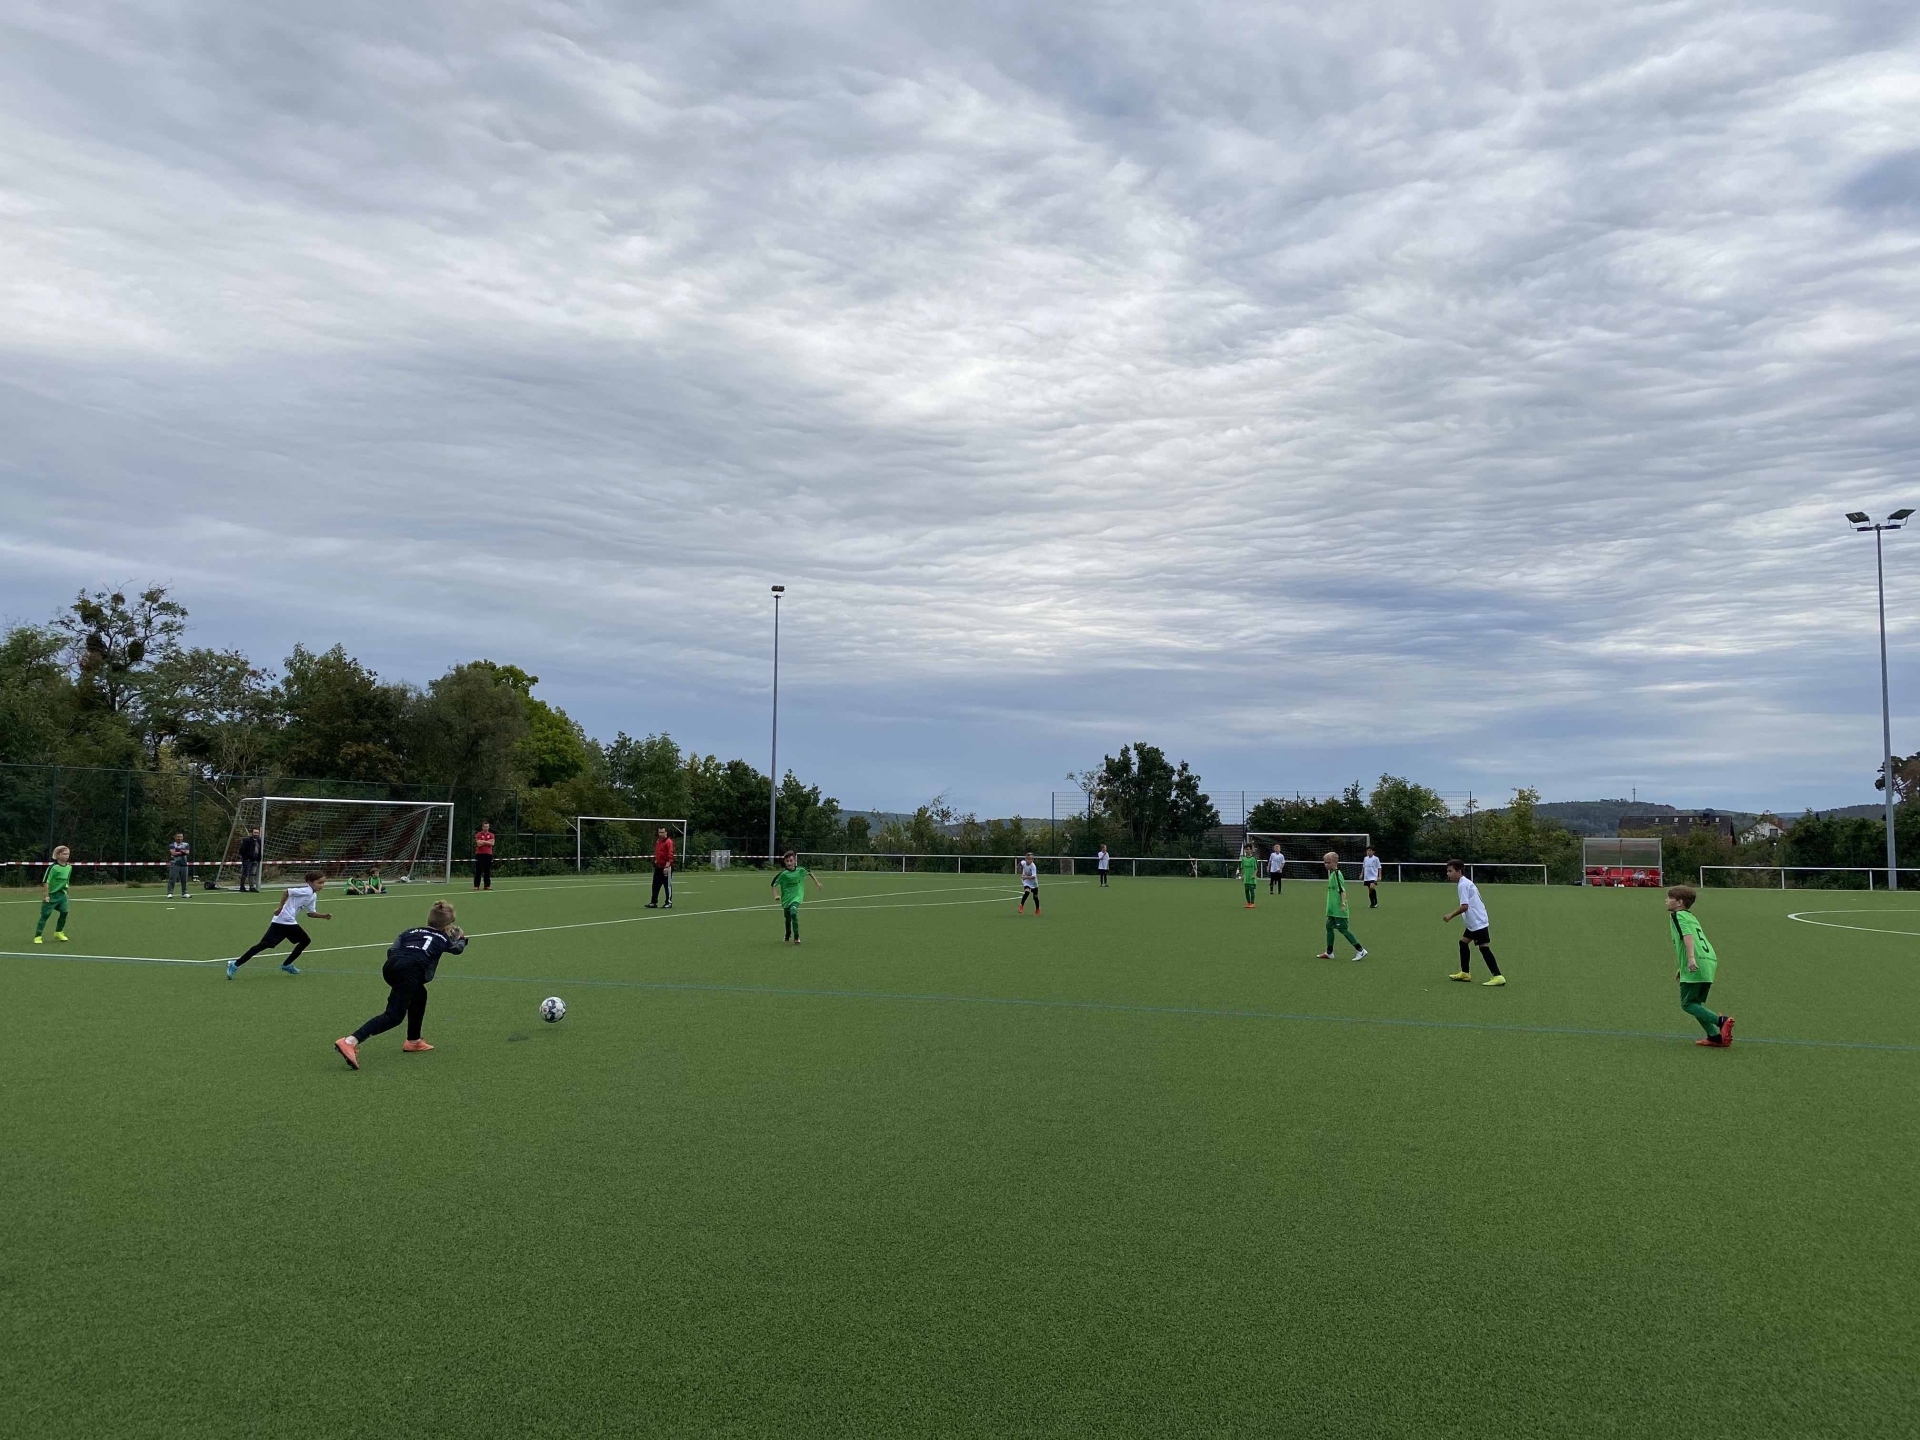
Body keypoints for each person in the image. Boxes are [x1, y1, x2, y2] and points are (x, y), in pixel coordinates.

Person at [334, 902, 468, 1069]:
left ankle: (414, 1041)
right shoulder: (443, 938)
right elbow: (457, 949)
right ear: (447, 925)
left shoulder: (410, 931)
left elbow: (392, 949)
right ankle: (350, 1041)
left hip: (390, 966)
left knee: (419, 995)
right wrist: (462, 939)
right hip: (410, 971)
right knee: (394, 1016)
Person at [229, 870, 331, 977]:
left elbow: (310, 913)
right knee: (305, 940)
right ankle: (286, 964)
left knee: (263, 945)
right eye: (319, 883)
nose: (322, 885)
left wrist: (323, 916)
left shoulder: (313, 896)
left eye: (323, 883)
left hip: (282, 922)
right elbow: (287, 892)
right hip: (286, 920)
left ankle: (235, 964)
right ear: (310, 882)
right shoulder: (307, 891)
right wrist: (280, 907)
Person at [1669, 885, 1734, 1047]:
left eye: (1670, 898)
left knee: (1687, 1004)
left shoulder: (1678, 915)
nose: (1666, 901)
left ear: (1679, 902)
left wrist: (1691, 959)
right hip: (1708, 961)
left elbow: (1688, 936)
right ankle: (1714, 1037)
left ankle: (1721, 1021)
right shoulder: (1691, 916)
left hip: (1697, 961)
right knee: (1695, 1003)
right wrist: (1682, 966)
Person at [1442, 861, 1504, 986]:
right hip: (1474, 922)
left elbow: (1464, 906)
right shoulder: (1464, 882)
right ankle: (1465, 973)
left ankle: (1498, 976)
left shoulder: (1463, 885)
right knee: (1463, 943)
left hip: (1477, 922)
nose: (1448, 874)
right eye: (1447, 871)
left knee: (1484, 947)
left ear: (1459, 871)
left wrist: (1450, 915)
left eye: (1450, 871)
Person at [1316, 851, 1367, 961]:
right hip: (1332, 909)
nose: (1325, 865)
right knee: (1329, 927)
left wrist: (1343, 903)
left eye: (1327, 862)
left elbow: (1342, 890)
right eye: (1324, 862)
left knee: (1343, 929)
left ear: (1334, 862)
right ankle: (1329, 952)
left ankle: (1360, 950)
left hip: (1339, 909)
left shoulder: (1337, 874)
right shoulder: (1332, 874)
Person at [771, 850, 823, 943]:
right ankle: (787, 934)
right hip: (786, 899)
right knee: (787, 919)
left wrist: (817, 882)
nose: (789, 863)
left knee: (793, 912)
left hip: (797, 897)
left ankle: (796, 937)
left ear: (795, 860)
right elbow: (773, 884)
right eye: (787, 861)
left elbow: (809, 872)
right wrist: (776, 895)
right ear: (785, 862)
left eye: (791, 860)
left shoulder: (800, 870)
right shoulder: (783, 874)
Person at [34, 845, 72, 944]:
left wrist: (66, 892)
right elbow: (46, 881)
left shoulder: (69, 867)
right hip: (51, 895)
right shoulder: (53, 867)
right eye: (64, 854)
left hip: (61, 895)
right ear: (58, 855)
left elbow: (67, 880)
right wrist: (46, 895)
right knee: (45, 915)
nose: (67, 856)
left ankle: (58, 932)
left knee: (64, 912)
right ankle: (38, 936)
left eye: (68, 854)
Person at [647, 826, 675, 908]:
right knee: (655, 885)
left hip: (666, 867)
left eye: (662, 832)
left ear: (666, 833)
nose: (660, 834)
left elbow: (670, 855)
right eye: (659, 832)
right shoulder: (658, 841)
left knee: (667, 885)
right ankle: (653, 902)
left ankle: (668, 902)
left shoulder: (669, 842)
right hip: (658, 867)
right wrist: (656, 860)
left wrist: (667, 866)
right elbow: (658, 852)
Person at [237, 826, 263, 892]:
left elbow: (259, 849)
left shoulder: (259, 840)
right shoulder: (247, 840)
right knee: (245, 873)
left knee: (253, 873)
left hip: (255, 860)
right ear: (252, 833)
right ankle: (242, 887)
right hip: (247, 860)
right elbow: (242, 850)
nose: (256, 834)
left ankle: (252, 887)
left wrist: (259, 857)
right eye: (255, 832)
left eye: (257, 833)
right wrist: (246, 857)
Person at [166, 832, 191, 898]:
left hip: (184, 864)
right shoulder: (172, 845)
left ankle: (184, 893)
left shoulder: (186, 844)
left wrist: (179, 852)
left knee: (184, 879)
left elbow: (187, 852)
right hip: (175, 864)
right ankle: (170, 893)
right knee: (172, 879)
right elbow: (173, 853)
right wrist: (182, 852)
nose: (179, 838)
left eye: (181, 837)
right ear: (175, 837)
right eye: (178, 837)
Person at [472, 821, 496, 890]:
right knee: (478, 871)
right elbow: (478, 844)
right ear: (482, 827)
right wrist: (488, 842)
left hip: (488, 854)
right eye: (485, 826)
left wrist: (483, 841)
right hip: (479, 854)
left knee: (487, 871)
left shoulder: (491, 835)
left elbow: (492, 843)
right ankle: (476, 886)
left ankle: (487, 885)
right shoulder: (478, 834)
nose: (486, 828)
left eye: (487, 826)